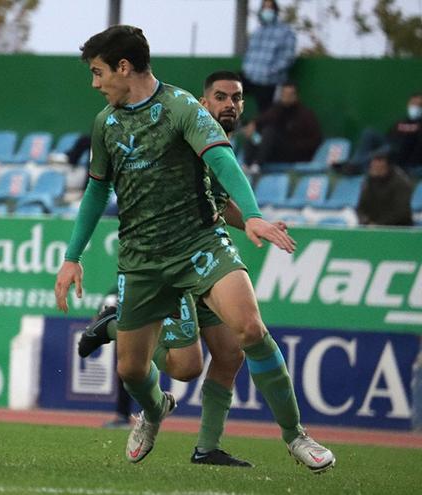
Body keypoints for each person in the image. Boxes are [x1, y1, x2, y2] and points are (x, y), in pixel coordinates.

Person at [54, 25, 333, 473]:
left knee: (249, 331)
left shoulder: (181, 107)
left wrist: (253, 213)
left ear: (123, 67)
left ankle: (295, 435)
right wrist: (72, 257)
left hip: (200, 244)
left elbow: (222, 158)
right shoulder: (105, 123)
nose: (94, 83)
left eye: (98, 72)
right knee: (134, 371)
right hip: (142, 259)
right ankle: (154, 409)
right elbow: (96, 191)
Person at [80, 71, 294, 467]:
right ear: (203, 102)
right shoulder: (187, 131)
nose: (230, 105)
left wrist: (253, 221)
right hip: (172, 260)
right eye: (221, 97)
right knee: (185, 367)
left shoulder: (221, 142)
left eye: (237, 98)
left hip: (205, 257)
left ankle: (207, 447)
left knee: (231, 353)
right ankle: (115, 325)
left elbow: (216, 203)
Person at [243, 81, 322, 171]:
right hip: (276, 151)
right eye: (284, 94)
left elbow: (315, 139)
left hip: (295, 153)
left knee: (269, 131)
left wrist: (297, 147)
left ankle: (257, 165)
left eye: (290, 94)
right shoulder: (277, 110)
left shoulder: (305, 115)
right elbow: (263, 119)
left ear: (296, 96)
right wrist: (253, 124)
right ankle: (247, 164)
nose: (286, 97)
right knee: (255, 133)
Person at [241, 0, 296, 115]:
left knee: (266, 113)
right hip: (251, 77)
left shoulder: (285, 31)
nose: (267, 11)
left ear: (275, 10)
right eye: (264, 8)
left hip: (270, 80)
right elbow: (249, 54)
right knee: (228, 85)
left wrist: (270, 71)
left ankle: (261, 125)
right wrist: (247, 69)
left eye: (269, 8)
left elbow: (288, 58)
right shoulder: (257, 31)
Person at [356, 148, 414, 226]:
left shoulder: (401, 182)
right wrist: (366, 222)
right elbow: (361, 208)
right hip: (371, 226)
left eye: (379, 161)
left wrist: (379, 224)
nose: (374, 164)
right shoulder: (369, 180)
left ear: (388, 164)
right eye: (373, 160)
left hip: (398, 227)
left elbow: (401, 212)